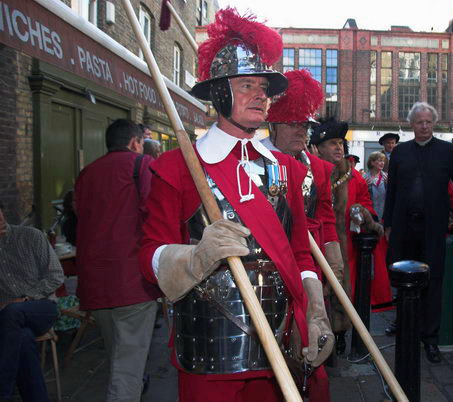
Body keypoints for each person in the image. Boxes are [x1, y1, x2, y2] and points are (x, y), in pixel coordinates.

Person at [138, 9, 333, 402]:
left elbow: (300, 252)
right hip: (211, 345)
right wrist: (195, 257)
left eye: (264, 87)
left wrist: (315, 309)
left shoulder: (285, 170)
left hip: (279, 337)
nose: (261, 95)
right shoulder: (178, 168)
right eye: (247, 85)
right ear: (220, 93)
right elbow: (148, 256)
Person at [74, 119, 161, 402]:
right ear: (135, 142)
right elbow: (155, 213)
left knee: (118, 356)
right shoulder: (142, 165)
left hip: (94, 281)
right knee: (128, 365)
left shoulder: (87, 173)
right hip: (131, 278)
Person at [383, 101, 453, 363]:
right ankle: (404, 325)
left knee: (432, 281)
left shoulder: (449, 151)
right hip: (403, 225)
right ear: (411, 124)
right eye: (419, 122)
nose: (424, 126)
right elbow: (393, 190)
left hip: (434, 227)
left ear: (434, 123)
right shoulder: (400, 152)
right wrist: (387, 223)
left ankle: (429, 338)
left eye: (428, 122)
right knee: (402, 275)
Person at [309, 119, 391, 355]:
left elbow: (367, 204)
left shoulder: (353, 177)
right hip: (316, 247)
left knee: (344, 293)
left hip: (347, 252)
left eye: (341, 144)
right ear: (318, 147)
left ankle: (340, 334)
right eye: (332, 143)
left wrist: (362, 212)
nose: (339, 148)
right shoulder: (307, 172)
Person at [262, 69, 345, 298]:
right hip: (268, 262)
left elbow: (326, 217)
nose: (301, 131)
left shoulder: (318, 168)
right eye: (293, 124)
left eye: (305, 125)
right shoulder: (254, 160)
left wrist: (333, 261)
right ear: (274, 125)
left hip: (311, 260)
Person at [0, 202, 64, 402]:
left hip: (41, 307)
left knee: (14, 311)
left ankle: (3, 390)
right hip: (8, 319)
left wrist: (26, 298)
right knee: (23, 337)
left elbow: (55, 276)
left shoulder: (31, 236)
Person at [363, 152, 387, 220]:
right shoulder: (364, 178)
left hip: (384, 215)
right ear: (372, 162)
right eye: (380, 161)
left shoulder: (387, 177)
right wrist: (364, 187)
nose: (382, 163)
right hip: (368, 215)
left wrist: (389, 186)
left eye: (383, 161)